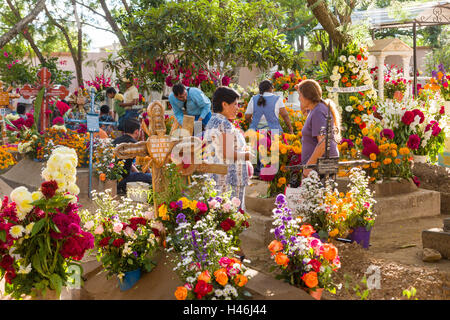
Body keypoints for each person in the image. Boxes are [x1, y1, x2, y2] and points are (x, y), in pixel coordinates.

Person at [204, 86, 252, 210]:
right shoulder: (224, 124)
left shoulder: (213, 121)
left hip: (219, 177)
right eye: (235, 104)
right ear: (224, 104)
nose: (238, 108)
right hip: (229, 179)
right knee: (231, 215)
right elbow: (227, 153)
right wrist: (247, 155)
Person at [298, 79, 340, 178]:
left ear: (307, 96)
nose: (299, 98)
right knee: (323, 193)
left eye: (300, 95)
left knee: (320, 192)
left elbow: (323, 143)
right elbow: (303, 110)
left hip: (321, 165)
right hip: (321, 163)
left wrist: (308, 168)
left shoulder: (318, 112)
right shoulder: (316, 109)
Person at [112, 118, 152, 193]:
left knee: (140, 175)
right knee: (152, 177)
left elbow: (128, 163)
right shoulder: (134, 145)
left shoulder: (116, 140)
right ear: (137, 132)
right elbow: (145, 163)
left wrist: (138, 174)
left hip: (114, 179)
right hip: (125, 179)